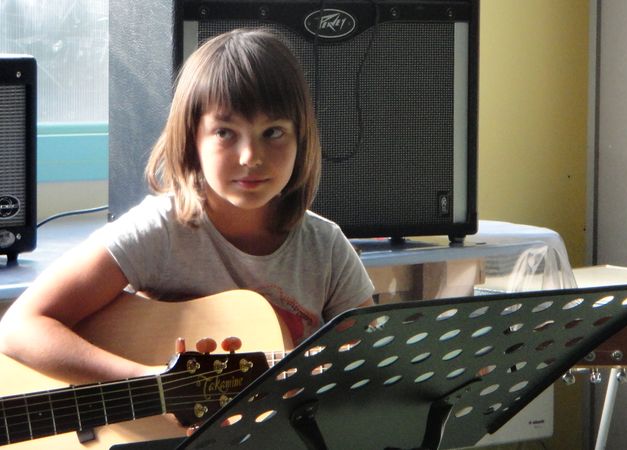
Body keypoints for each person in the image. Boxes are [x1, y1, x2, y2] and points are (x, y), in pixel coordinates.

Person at [0, 28, 375, 384]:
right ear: (191, 140)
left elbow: (369, 364)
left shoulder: (327, 249)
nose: (251, 157)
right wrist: (152, 385)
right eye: (225, 133)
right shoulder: (160, 230)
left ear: (301, 139)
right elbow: (19, 328)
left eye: (273, 132)